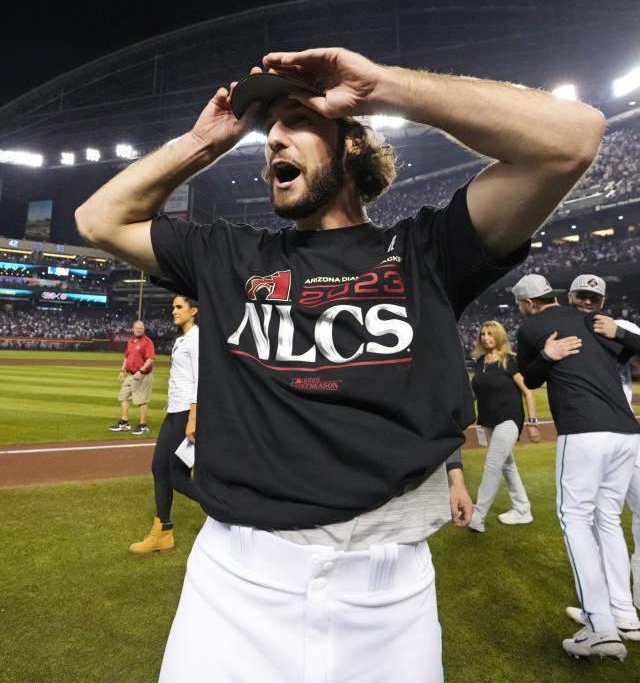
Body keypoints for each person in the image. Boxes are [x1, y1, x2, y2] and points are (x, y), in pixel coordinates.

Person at [75, 46, 604, 682]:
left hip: (388, 592)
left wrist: (383, 86)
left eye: (296, 120)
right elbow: (97, 219)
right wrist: (204, 141)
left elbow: (573, 139)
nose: (273, 141)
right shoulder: (227, 254)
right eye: (267, 133)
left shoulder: (424, 251)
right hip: (235, 580)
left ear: (351, 143)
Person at [513, 273, 640, 661]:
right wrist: (620, 332)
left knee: (576, 520)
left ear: (526, 304)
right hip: (628, 434)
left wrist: (547, 357)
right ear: (560, 296)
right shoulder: (595, 322)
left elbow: (529, 379)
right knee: (606, 521)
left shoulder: (532, 326)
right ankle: (621, 612)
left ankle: (599, 626)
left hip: (585, 434)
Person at [562, 274, 640, 619]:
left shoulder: (617, 325)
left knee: (607, 517)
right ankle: (614, 607)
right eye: (581, 296)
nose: (587, 302)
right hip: (599, 433)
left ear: (603, 302)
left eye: (593, 298)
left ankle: (624, 604)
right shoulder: (562, 326)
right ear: (569, 296)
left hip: (624, 433)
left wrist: (619, 333)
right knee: (599, 520)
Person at [130, 295, 200, 554]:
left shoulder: (197, 339)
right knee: (159, 468)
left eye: (179, 307)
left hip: (187, 413)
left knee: (178, 477)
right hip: (174, 411)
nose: (174, 311)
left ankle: (226, 510)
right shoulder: (181, 339)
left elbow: (201, 380)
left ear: (194, 310)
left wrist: (193, 418)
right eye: (173, 307)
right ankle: (163, 532)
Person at [468, 320, 539, 533]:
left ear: (498, 336)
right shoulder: (480, 361)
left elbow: (528, 392)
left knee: (492, 465)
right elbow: (476, 391)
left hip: (509, 418)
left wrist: (532, 424)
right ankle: (522, 509)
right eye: (483, 334)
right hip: (489, 420)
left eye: (490, 334)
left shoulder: (509, 360)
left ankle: (478, 516)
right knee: (507, 465)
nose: (486, 338)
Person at [109, 319, 155, 434]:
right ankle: (124, 423)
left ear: (143, 330)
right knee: (123, 396)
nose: (139, 330)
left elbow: (150, 359)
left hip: (143, 375)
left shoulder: (147, 341)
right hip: (131, 375)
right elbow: (126, 357)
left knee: (142, 400)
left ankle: (143, 425)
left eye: (141, 328)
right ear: (133, 329)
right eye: (137, 328)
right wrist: (121, 370)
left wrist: (141, 370)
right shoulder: (131, 341)